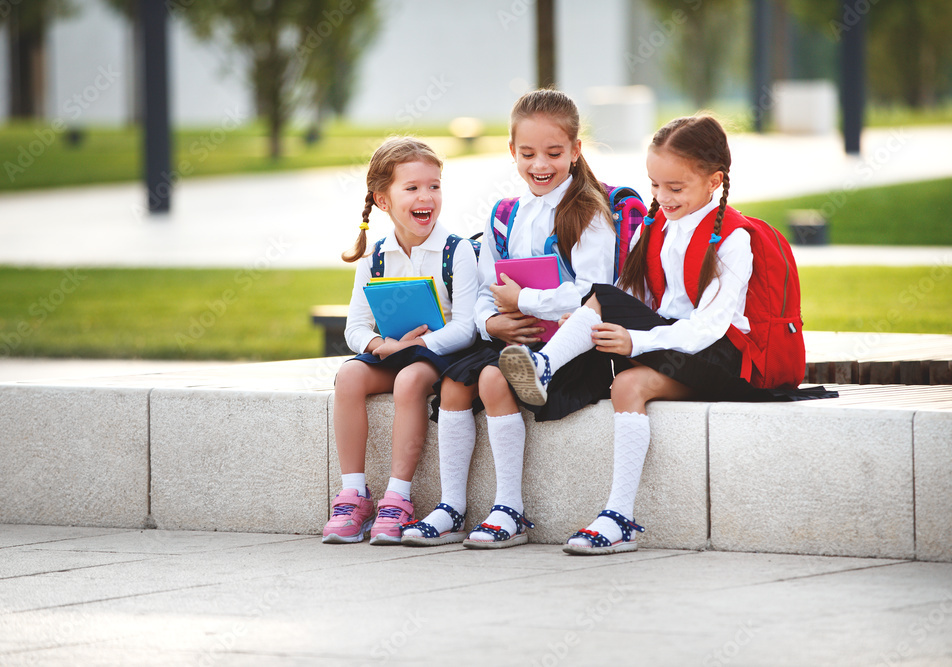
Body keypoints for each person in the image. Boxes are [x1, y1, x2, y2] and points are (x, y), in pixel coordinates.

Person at [498, 114, 836, 555]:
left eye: (675, 188)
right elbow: (632, 300)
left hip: (728, 358)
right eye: (655, 185)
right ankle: (618, 513)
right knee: (626, 376)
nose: (661, 197)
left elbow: (709, 327)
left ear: (714, 180)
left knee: (610, 321)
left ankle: (548, 373)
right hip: (676, 346)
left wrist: (635, 342)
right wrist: (588, 327)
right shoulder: (652, 227)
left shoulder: (734, 239)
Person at [401, 89, 616, 549]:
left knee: (495, 381)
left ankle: (509, 508)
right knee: (455, 383)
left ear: (576, 151)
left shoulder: (588, 213)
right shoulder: (504, 215)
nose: (541, 164)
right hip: (508, 338)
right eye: (528, 153)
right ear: (512, 152)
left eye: (554, 153)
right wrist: (488, 324)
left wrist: (527, 299)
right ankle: (452, 507)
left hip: (567, 350)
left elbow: (593, 291)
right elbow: (482, 288)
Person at [323, 137, 479, 546]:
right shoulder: (375, 257)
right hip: (392, 352)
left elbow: (467, 326)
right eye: (412, 188)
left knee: (410, 380)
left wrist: (415, 349)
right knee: (350, 377)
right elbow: (355, 327)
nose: (426, 196)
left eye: (434, 186)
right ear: (383, 200)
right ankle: (353, 494)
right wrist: (381, 347)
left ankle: (398, 498)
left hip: (437, 355)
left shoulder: (456, 251)